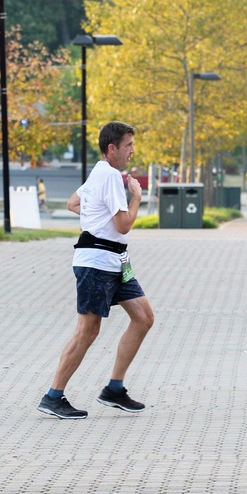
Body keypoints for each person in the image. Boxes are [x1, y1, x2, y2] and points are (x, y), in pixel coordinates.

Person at [39, 121, 155, 420]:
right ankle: (54, 396)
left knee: (143, 318)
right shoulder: (110, 177)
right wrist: (137, 198)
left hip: (116, 261)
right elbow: (123, 224)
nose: (132, 150)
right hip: (96, 263)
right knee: (87, 330)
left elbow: (73, 203)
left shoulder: (100, 174)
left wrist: (95, 216)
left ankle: (114, 389)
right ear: (112, 148)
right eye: (128, 145)